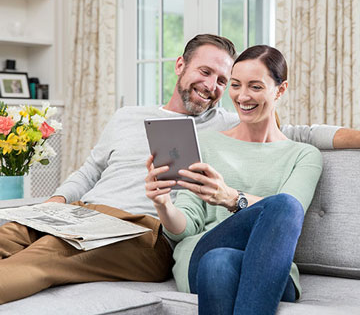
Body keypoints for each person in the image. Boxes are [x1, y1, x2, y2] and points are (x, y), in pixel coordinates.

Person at [0, 34, 358, 305]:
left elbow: (296, 134)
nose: (213, 86)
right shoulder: (127, 116)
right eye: (207, 72)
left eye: (222, 80)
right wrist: (56, 201)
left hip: (138, 230)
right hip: (80, 216)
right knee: (8, 235)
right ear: (180, 66)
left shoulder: (225, 123)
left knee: (43, 258)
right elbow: (89, 171)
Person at [145, 45, 323, 314]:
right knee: (215, 258)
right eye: (236, 85)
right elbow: (184, 228)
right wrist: (163, 205)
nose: (242, 96)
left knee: (281, 208)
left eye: (255, 87)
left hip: (271, 265)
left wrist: (230, 198)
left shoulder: (304, 155)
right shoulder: (206, 144)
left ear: (280, 90)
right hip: (201, 255)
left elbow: (288, 216)